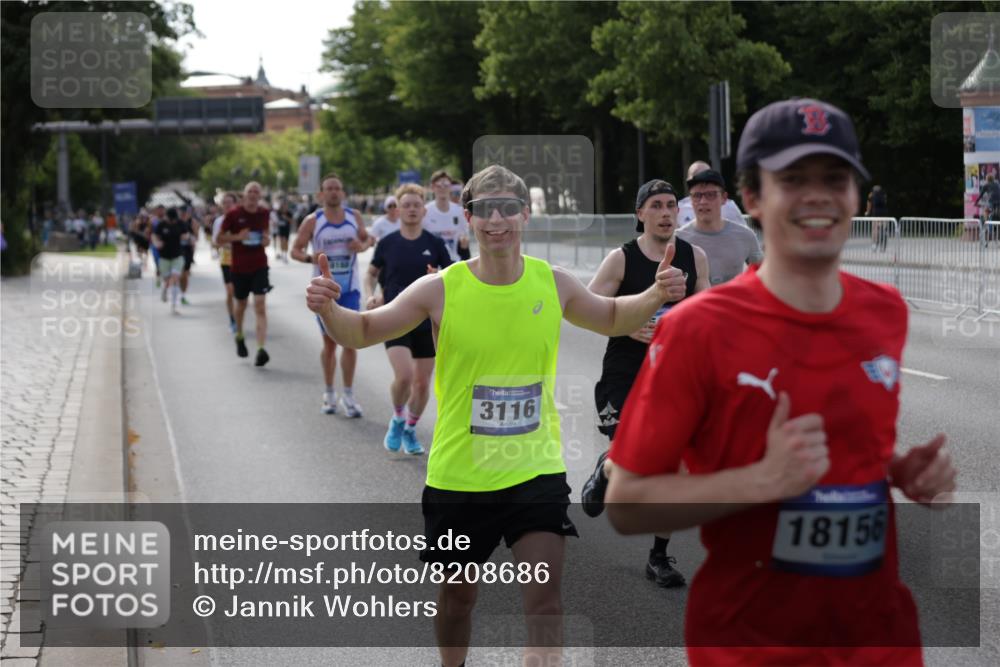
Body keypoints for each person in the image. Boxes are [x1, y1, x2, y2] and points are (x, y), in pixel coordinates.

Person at [606, 98, 957, 666]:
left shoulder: (884, 310)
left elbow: (844, 445)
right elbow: (626, 502)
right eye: (792, 179)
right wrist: (758, 481)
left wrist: (895, 471)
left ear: (855, 195)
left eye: (835, 177)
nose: (817, 195)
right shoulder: (697, 330)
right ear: (752, 198)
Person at [307, 164, 687, 667]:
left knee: (545, 605)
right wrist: (329, 311)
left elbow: (613, 316)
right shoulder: (441, 289)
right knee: (458, 599)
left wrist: (656, 294)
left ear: (525, 214)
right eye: (485, 210)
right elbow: (362, 330)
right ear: (468, 218)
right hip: (459, 476)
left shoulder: (553, 283)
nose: (498, 219)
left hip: (534, 471)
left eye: (509, 207)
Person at [580, 179, 710, 589]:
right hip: (624, 371)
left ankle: (658, 557)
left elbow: (707, 309)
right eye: (656, 205)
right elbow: (588, 307)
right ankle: (606, 469)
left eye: (671, 205)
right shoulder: (621, 259)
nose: (667, 212)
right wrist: (627, 319)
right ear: (640, 214)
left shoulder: (694, 256)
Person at [365, 183, 451, 454]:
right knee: (404, 377)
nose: (412, 209)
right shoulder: (388, 243)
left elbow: (452, 278)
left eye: (417, 205)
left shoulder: (434, 243)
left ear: (424, 210)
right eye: (407, 205)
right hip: (395, 317)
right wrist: (371, 295)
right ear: (398, 209)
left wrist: (438, 275)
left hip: (427, 321)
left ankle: (411, 429)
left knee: (423, 383)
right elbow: (370, 274)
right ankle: (398, 417)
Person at [292, 173, 372, 416]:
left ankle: (348, 394)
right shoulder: (312, 221)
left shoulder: (354, 216)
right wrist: (310, 258)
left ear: (343, 193)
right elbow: (294, 250)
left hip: (349, 289)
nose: (334, 192)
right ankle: (329, 393)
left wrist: (362, 245)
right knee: (329, 344)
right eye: (329, 189)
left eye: (338, 188)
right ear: (321, 194)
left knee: (351, 342)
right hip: (324, 291)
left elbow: (367, 240)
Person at [676, 169, 764, 285]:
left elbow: (762, 277)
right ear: (690, 200)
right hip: (695, 302)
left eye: (710, 195)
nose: (703, 201)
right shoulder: (679, 239)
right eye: (697, 195)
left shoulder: (745, 236)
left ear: (724, 198)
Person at [218, 182, 272, 366]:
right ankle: (239, 335)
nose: (253, 194)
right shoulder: (233, 214)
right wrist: (238, 237)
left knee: (260, 305)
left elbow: (266, 236)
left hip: (259, 265)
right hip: (239, 267)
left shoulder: (264, 213)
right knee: (241, 304)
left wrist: (266, 240)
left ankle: (261, 349)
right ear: (244, 194)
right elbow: (219, 238)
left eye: (257, 191)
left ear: (260, 195)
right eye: (250, 191)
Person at [677, 161, 747, 227]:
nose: (703, 201)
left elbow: (743, 234)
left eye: (706, 176)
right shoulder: (679, 209)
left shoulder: (729, 207)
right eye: (695, 179)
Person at [422, 170, 471, 262]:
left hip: (454, 262)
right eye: (439, 185)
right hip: (433, 264)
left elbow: (464, 237)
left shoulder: (459, 211)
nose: (442, 188)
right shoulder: (425, 211)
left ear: (450, 187)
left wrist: (464, 242)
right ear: (432, 187)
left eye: (446, 185)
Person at [212, 192, 240, 332]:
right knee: (230, 291)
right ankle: (232, 319)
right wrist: (226, 244)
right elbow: (215, 243)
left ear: (235, 204)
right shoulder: (219, 222)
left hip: (241, 260)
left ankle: (238, 317)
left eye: (230, 202)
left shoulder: (241, 219)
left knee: (240, 294)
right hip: (226, 260)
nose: (227, 205)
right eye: (225, 203)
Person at [151, 207, 188, 314]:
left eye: (174, 219)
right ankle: (165, 288)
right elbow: (154, 235)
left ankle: (174, 305)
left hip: (177, 256)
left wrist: (185, 237)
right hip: (164, 257)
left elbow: (186, 234)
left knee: (175, 279)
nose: (172, 221)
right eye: (170, 219)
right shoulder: (162, 225)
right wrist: (156, 242)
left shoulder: (180, 223)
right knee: (168, 280)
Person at [178, 206, 198, 305]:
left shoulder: (192, 222)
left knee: (184, 275)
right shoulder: (175, 223)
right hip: (176, 251)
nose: (183, 215)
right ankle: (177, 291)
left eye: (185, 213)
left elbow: (196, 237)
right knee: (179, 274)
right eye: (181, 213)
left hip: (187, 251)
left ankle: (183, 295)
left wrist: (190, 238)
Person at [866, 184, 891, 252]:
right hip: (884, 213)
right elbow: (885, 203)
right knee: (883, 226)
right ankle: (884, 235)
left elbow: (869, 205)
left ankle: (874, 244)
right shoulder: (883, 194)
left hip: (876, 213)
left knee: (874, 228)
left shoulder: (871, 194)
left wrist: (867, 212)